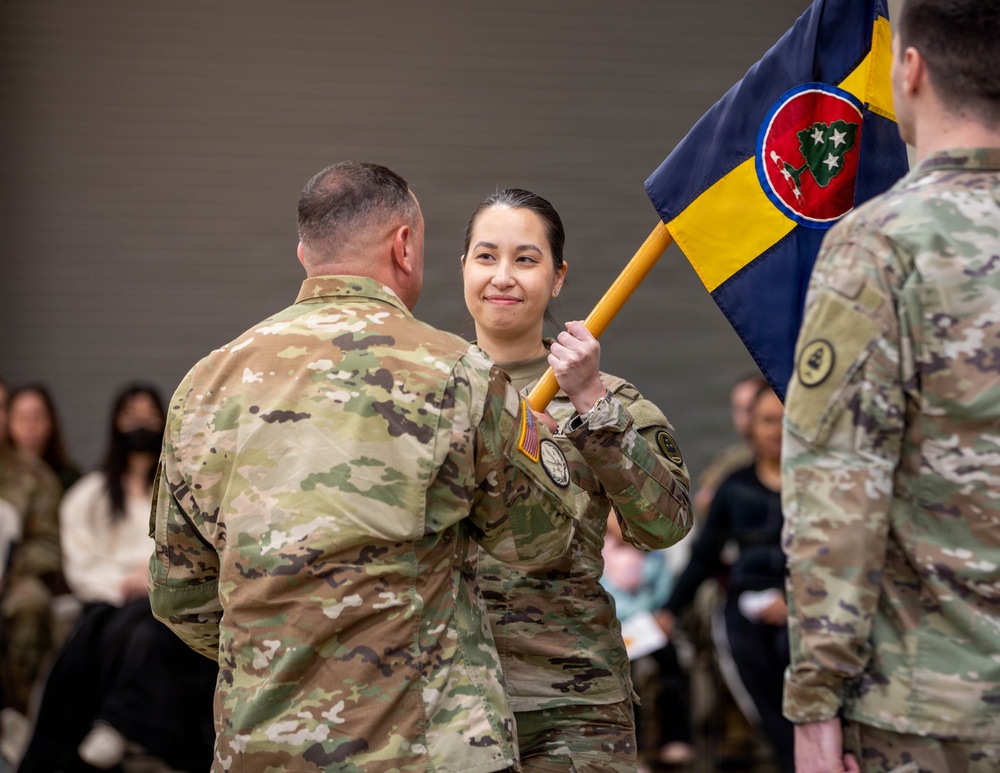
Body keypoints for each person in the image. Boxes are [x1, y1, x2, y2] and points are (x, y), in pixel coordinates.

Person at [149, 162, 579, 772]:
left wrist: (289, 657)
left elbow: (179, 596)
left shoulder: (205, 385)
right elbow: (541, 539)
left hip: (263, 748)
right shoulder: (457, 372)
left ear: (305, 253)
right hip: (424, 748)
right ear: (404, 246)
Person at [781, 2, 1000, 771]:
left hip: (928, 713)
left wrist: (814, 704)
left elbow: (837, 495)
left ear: (911, 70)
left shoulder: (878, 247)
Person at [460, 188, 692, 772]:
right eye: (486, 257)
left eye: (526, 259)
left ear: (558, 277)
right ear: (463, 268)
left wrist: (591, 402)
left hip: (573, 704)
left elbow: (665, 525)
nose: (503, 277)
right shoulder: (427, 390)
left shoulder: (605, 397)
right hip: (453, 699)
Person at [19, 383, 216, 773]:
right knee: (145, 626)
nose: (140, 424)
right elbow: (80, 564)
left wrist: (152, 580)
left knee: (164, 625)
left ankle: (119, 723)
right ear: (114, 423)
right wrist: (127, 585)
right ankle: (124, 724)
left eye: (148, 415)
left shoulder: (183, 493)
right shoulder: (88, 495)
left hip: (165, 596)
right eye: (130, 415)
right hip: (111, 604)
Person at [659, 386, 792, 772]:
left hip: (803, 606)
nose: (775, 431)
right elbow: (704, 557)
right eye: (767, 420)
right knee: (756, 680)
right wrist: (669, 610)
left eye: (784, 421)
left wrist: (795, 602)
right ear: (750, 425)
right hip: (745, 609)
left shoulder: (816, 487)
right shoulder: (734, 488)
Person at [600, 512, 693, 768]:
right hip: (615, 630)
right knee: (626, 678)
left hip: (651, 629)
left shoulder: (654, 555)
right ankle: (633, 746)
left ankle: (674, 737)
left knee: (671, 664)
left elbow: (664, 591)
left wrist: (662, 616)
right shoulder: (598, 552)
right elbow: (601, 592)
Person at [0, 377, 63, 718]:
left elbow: (47, 544)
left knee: (30, 603)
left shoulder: (34, 476)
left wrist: (10, 570)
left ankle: (20, 713)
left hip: (13, 579)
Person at [6, 384, 81, 493]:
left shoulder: (70, 477)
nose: (30, 425)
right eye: (22, 418)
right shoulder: (3, 474)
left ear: (51, 422)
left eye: (37, 417)